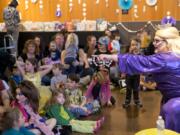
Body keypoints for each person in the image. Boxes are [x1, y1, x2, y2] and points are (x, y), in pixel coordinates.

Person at [99, 26, 180, 133]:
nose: (154, 43)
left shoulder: (167, 59)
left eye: (157, 41)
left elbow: (144, 62)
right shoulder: (172, 57)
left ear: (168, 42)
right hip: (170, 98)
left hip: (175, 102)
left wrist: (110, 57)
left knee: (170, 111)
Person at [122, 38, 142, 108]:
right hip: (129, 74)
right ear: (130, 46)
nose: (134, 46)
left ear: (139, 46)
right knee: (128, 88)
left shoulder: (140, 54)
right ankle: (127, 100)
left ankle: (137, 100)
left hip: (136, 74)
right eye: (133, 45)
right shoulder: (127, 55)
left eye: (136, 45)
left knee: (136, 88)